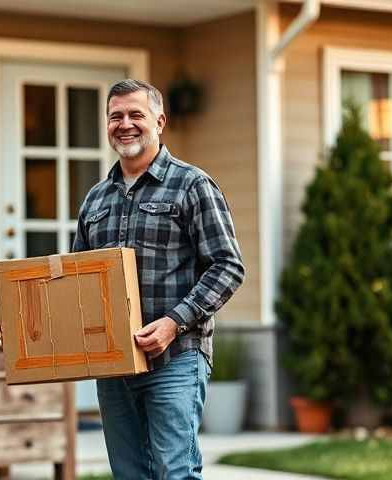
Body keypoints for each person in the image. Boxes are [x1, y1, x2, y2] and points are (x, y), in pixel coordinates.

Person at [72, 79, 245, 479]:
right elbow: (78, 281)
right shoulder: (96, 199)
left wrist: (173, 323)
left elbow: (228, 265)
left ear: (160, 121)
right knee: (129, 473)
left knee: (175, 471)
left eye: (136, 114)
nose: (125, 124)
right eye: (116, 116)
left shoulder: (192, 184)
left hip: (176, 357)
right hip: (115, 366)